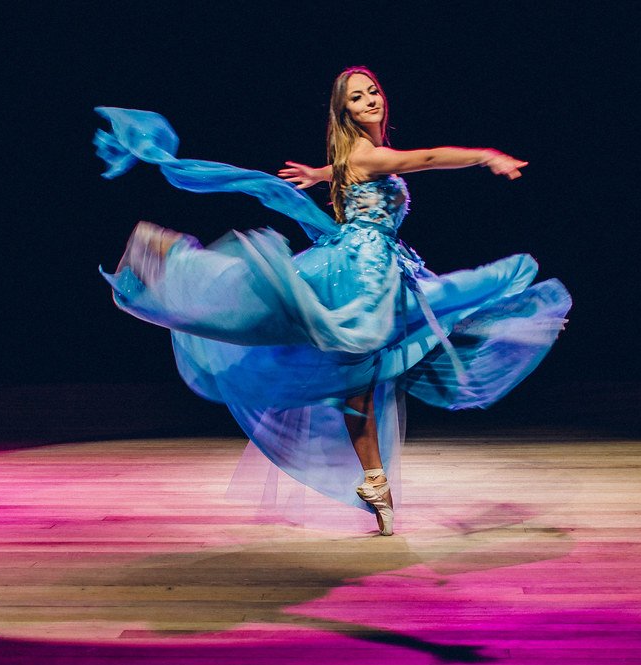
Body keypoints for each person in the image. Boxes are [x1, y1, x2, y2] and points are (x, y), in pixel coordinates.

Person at [96, 66, 571, 536]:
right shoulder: (368, 154)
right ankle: (167, 256)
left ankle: (375, 481)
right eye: (357, 98)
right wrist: (485, 156)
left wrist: (318, 173)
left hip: (377, 264)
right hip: (362, 271)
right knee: (391, 326)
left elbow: (347, 169)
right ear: (345, 112)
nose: (370, 100)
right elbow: (425, 159)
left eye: (373, 91)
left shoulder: (355, 155)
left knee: (361, 377)